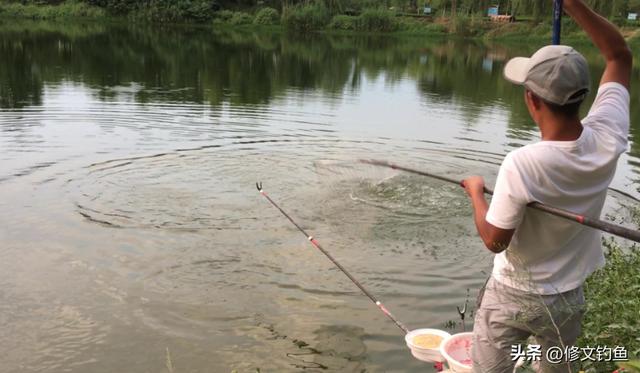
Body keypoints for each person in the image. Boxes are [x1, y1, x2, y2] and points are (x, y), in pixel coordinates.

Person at [462, 0, 632, 372]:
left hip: (512, 295)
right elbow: (619, 55)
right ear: (584, 94)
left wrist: (476, 193)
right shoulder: (609, 136)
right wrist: (575, 5)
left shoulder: (523, 162)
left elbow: (495, 240)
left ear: (531, 99)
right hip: (567, 297)